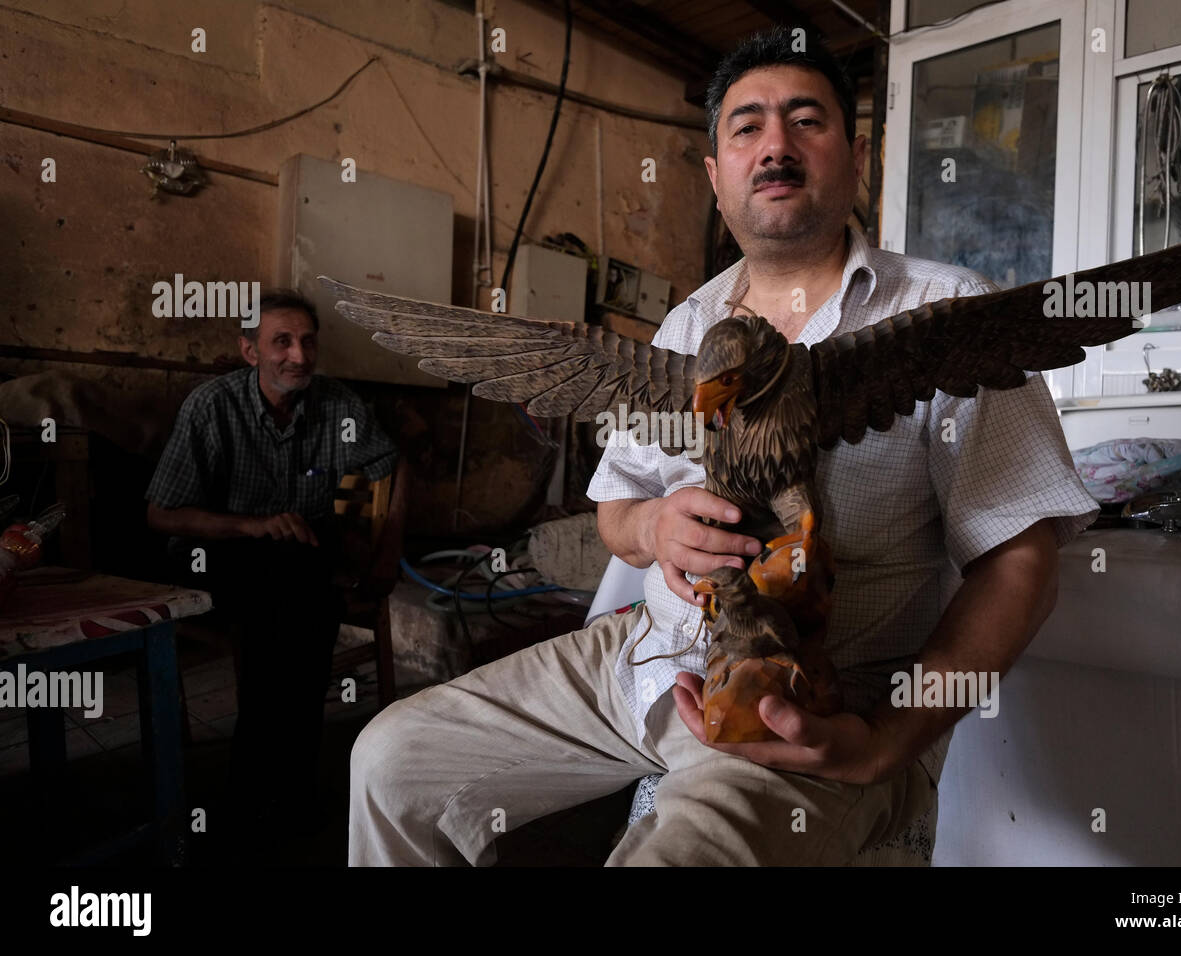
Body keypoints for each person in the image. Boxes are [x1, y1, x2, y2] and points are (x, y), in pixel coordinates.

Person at [347, 27, 1099, 866]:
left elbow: (1021, 564)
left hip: (816, 705)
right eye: (745, 127)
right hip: (643, 656)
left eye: (804, 120)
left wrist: (889, 741)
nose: (774, 145)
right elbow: (616, 510)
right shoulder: (683, 327)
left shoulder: (945, 308)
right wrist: (655, 528)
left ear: (857, 158)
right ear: (714, 175)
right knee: (391, 764)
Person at [146, 289, 407, 839]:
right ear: (249, 352)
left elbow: (388, 467)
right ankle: (280, 785)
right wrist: (253, 526)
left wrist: (378, 549)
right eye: (281, 342)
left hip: (300, 557)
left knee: (299, 590)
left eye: (308, 341)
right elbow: (163, 513)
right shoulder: (212, 406)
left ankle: (266, 786)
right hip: (217, 553)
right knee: (290, 596)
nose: (299, 356)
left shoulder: (339, 406)